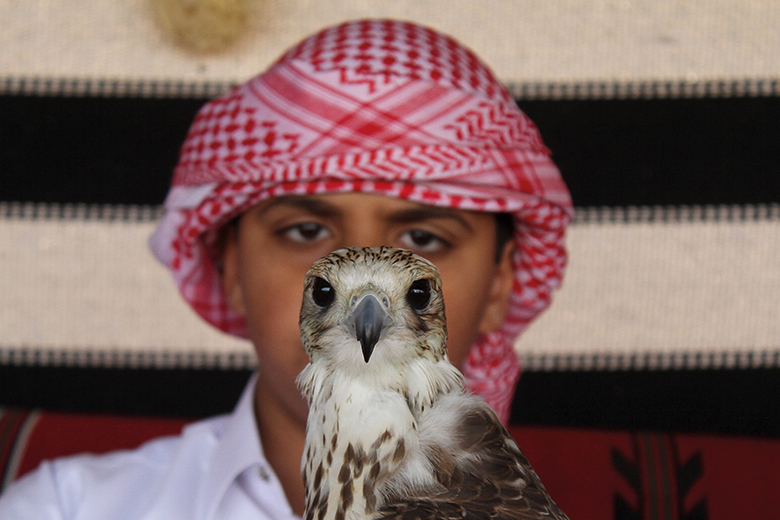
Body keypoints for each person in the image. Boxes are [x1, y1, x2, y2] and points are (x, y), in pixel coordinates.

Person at [0, 18, 572, 519]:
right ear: (230, 267)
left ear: (501, 282)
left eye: (422, 240)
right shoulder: (68, 508)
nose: (361, 313)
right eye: (305, 231)